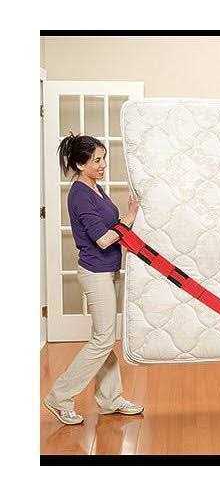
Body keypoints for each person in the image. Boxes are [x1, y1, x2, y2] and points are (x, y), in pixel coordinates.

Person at [43, 134, 144, 425]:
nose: (102, 165)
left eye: (103, 159)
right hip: (95, 272)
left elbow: (110, 229)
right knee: (103, 339)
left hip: (107, 269)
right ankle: (59, 396)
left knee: (104, 336)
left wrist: (126, 224)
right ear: (80, 164)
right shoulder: (79, 194)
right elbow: (102, 239)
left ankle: (110, 399)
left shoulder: (95, 188)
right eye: (96, 160)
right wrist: (129, 216)